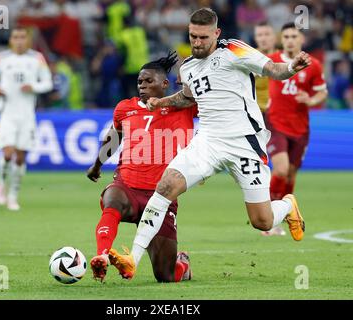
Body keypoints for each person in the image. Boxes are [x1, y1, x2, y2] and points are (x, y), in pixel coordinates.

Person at [108, 8, 311, 280]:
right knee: (166, 186)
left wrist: (291, 68)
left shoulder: (234, 50)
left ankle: (287, 205)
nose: (197, 42)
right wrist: (163, 102)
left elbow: (273, 69)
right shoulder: (188, 66)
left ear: (216, 33)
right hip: (208, 142)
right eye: (192, 36)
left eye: (203, 37)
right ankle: (132, 258)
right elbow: (189, 97)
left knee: (261, 220)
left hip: (244, 144)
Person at [86, 51, 196, 282]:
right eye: (139, 81)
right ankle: (102, 257)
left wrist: (188, 73)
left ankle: (182, 265)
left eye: (149, 81)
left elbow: (202, 95)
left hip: (163, 196)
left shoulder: (184, 106)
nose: (142, 85)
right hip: (128, 186)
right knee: (112, 200)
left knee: (165, 276)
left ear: (165, 84)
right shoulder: (125, 108)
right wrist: (97, 165)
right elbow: (113, 138)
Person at [0, 27, 53, 211]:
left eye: (23, 37)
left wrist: (33, 87)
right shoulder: (1, 58)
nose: (19, 41)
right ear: (11, 40)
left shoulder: (37, 58)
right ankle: (1, 183)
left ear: (28, 40)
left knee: (20, 158)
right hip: (7, 113)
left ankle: (13, 195)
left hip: (27, 115)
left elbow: (47, 82)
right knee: (7, 153)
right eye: (16, 37)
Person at [265, 23, 328, 202]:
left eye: (294, 37)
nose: (290, 41)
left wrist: (311, 100)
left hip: (300, 127)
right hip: (275, 124)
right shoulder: (272, 61)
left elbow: (322, 92)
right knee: (281, 169)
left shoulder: (313, 65)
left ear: (302, 39)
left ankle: (286, 211)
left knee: (291, 174)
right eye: (286, 37)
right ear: (281, 40)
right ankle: (267, 212)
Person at [253, 22, 286, 237]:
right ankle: (268, 218)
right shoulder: (250, 58)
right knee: (259, 169)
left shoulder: (283, 60)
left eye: (267, 34)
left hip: (277, 118)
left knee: (283, 169)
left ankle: (276, 214)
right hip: (255, 120)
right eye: (259, 34)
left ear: (274, 37)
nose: (263, 38)